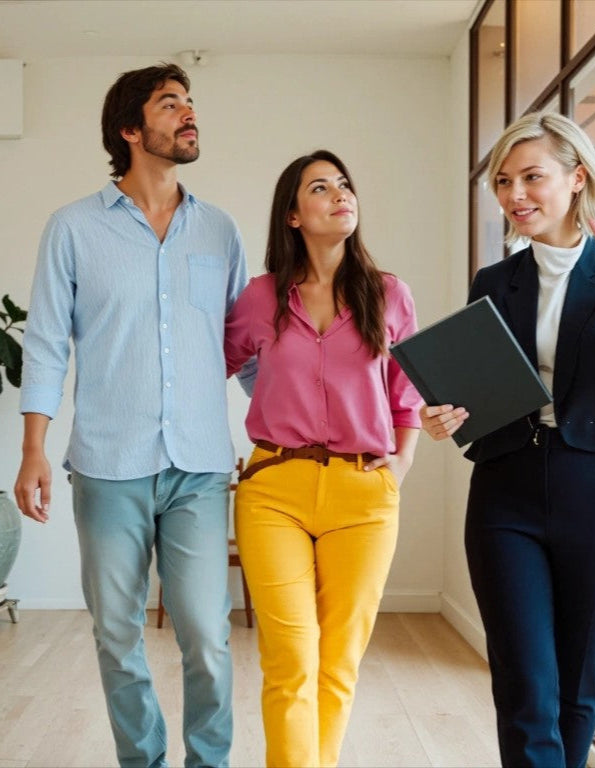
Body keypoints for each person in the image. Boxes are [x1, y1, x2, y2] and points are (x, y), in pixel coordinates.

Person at [421, 111, 595, 768]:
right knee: (525, 688)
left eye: (531, 176)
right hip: (505, 493)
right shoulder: (496, 282)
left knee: (577, 688)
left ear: (577, 178)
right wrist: (443, 415)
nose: (515, 194)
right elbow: (480, 384)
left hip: (593, 490)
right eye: (505, 181)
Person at [14, 63, 255, 768]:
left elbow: (244, 348)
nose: (188, 114)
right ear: (130, 129)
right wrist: (34, 450)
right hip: (107, 465)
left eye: (190, 103)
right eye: (169, 104)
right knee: (117, 635)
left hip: (200, 468)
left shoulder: (220, 230)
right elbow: (50, 345)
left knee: (208, 637)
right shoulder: (73, 229)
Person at [224, 149, 422, 767]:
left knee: (338, 662)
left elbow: (408, 392)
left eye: (344, 185)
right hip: (273, 491)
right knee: (290, 658)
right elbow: (207, 371)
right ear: (292, 215)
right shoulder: (259, 298)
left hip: (364, 495)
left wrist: (401, 465)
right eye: (320, 187)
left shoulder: (388, 294)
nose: (340, 195)